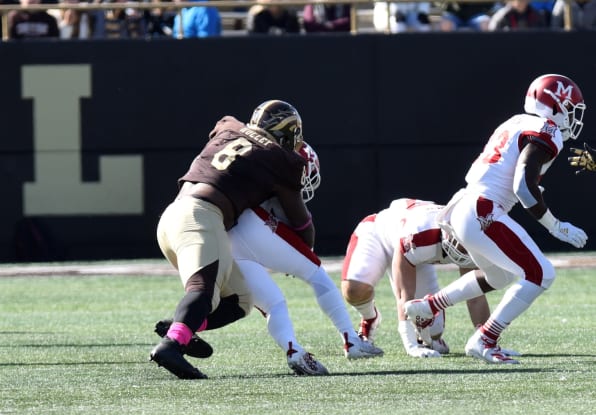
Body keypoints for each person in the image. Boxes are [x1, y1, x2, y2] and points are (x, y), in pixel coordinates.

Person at [405, 74, 588, 364]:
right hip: (483, 210)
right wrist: (555, 225)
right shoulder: (547, 130)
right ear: (554, 105)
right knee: (542, 274)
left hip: (466, 204)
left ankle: (428, 306)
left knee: (499, 275)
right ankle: (485, 338)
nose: (573, 115)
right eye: (570, 106)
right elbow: (522, 187)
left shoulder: (516, 121)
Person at [151, 99, 314, 379]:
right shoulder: (282, 159)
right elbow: (303, 228)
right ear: (287, 134)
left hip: (173, 217)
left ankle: (182, 327)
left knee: (240, 300)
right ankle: (171, 346)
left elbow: (225, 146)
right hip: (202, 216)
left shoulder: (228, 126)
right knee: (203, 290)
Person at [228, 142, 383, 375]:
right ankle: (352, 340)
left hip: (227, 237)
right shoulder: (284, 173)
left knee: (273, 304)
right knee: (316, 273)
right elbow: (304, 228)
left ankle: (294, 351)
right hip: (255, 225)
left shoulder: (253, 161)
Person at [341, 198, 509, 358]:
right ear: (448, 230)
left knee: (433, 328)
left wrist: (487, 341)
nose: (462, 248)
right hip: (380, 233)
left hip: (417, 252)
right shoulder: (418, 236)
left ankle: (430, 339)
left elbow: (475, 298)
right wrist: (411, 345)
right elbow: (403, 296)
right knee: (354, 289)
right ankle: (370, 317)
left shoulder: (468, 236)